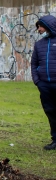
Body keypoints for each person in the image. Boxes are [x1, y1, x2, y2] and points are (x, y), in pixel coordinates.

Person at [32, 16, 56, 151]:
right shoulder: (39, 44)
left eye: (40, 26)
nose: (39, 29)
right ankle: (55, 140)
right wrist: (37, 81)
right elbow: (34, 63)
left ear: (49, 26)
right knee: (51, 112)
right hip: (44, 86)